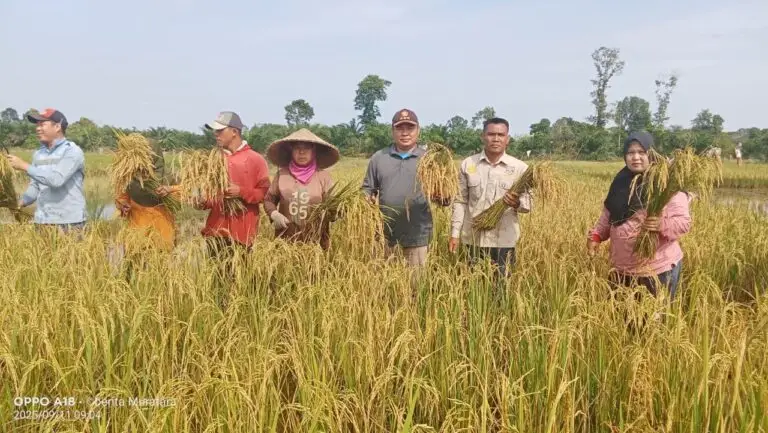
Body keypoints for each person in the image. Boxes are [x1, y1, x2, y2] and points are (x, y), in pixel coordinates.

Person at [587, 131, 691, 300]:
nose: (635, 157)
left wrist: (661, 224)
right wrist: (597, 235)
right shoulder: (620, 182)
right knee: (620, 314)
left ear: (652, 154)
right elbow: (608, 215)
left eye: (642, 152)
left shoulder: (667, 184)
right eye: (630, 153)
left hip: (657, 270)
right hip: (621, 269)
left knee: (655, 316)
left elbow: (683, 223)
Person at [362, 108, 447, 267]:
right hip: (384, 235)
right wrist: (365, 199)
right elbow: (367, 188)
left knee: (416, 281)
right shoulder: (379, 158)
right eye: (400, 128)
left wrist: (442, 195)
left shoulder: (429, 160)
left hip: (418, 235)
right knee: (384, 280)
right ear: (392, 131)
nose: (405, 133)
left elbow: (444, 198)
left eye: (410, 128)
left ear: (418, 130)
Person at [449, 117, 531, 281]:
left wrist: (516, 203)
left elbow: (528, 203)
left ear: (507, 139)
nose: (496, 139)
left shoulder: (520, 168)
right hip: (473, 239)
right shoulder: (468, 164)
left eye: (501, 135)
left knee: (501, 288)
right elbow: (460, 201)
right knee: (473, 287)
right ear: (483, 136)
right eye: (491, 134)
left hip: (504, 241)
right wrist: (455, 233)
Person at [198, 111, 270, 260]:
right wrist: (202, 201)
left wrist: (241, 191)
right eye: (215, 131)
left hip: (243, 233)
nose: (216, 134)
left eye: (220, 130)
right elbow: (209, 195)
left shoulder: (256, 159)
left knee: (241, 272)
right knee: (216, 272)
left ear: (234, 132)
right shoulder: (213, 160)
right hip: (216, 231)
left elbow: (264, 194)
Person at [5, 108, 87, 234]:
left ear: (57, 127)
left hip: (69, 223)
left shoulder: (72, 151)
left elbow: (56, 180)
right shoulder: (38, 154)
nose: (38, 128)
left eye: (42, 124)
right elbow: (35, 187)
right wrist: (20, 202)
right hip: (42, 221)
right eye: (37, 125)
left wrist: (24, 166)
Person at [263, 128, 340, 250]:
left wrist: (335, 212)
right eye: (297, 148)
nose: (301, 152)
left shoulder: (323, 177)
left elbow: (333, 209)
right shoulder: (282, 175)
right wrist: (274, 214)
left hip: (316, 244)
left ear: (314, 151)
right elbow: (269, 199)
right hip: (285, 242)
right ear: (291, 151)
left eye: (307, 148)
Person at [114, 137, 179, 251]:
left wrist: (169, 190)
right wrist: (123, 205)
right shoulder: (129, 175)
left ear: (155, 155)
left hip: (162, 228)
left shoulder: (168, 175)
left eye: (147, 154)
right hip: (137, 229)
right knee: (136, 258)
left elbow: (180, 198)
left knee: (161, 258)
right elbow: (121, 198)